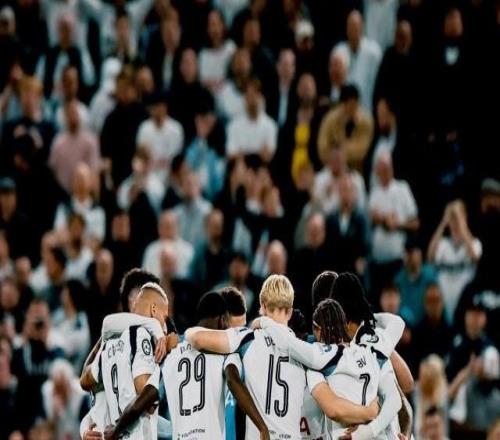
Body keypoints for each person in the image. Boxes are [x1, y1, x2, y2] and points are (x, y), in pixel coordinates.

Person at [185, 275, 380, 440]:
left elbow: (197, 338)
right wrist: (368, 414)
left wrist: (185, 334)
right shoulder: (306, 353)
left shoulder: (246, 339)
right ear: (290, 311)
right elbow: (333, 406)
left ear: (262, 305)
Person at [103, 291, 270, 440]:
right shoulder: (226, 353)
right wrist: (262, 427)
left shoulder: (172, 353)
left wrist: (115, 430)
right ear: (222, 320)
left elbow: (141, 402)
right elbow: (233, 380)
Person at [82, 282, 169, 440]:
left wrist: (85, 429)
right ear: (154, 309)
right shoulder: (141, 335)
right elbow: (147, 401)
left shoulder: (107, 345)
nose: (165, 326)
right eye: (165, 318)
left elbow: (85, 381)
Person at [369, 152, 419, 301]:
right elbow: (373, 218)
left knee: (397, 299)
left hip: (398, 260)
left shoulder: (402, 188)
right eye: (382, 168)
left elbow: (415, 223)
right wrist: (384, 220)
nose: (385, 171)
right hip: (377, 261)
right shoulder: (374, 193)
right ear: (377, 171)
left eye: (387, 168)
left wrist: (398, 224)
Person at [11, 298, 64, 433]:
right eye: (34, 316)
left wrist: (45, 339)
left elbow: (61, 375)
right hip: (23, 418)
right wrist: (27, 335)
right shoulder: (17, 350)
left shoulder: (57, 349)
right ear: (26, 319)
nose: (38, 323)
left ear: (49, 320)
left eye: (41, 318)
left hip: (51, 422)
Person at [428, 200, 482, 321]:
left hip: (465, 299)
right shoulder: (443, 244)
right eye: (452, 218)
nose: (455, 221)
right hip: (444, 299)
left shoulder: (474, 242)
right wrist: (444, 222)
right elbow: (430, 257)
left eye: (458, 217)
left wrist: (462, 223)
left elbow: (474, 257)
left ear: (465, 218)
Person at [317, 84, 374, 173]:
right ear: (342, 104)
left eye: (355, 105)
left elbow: (361, 152)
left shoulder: (366, 121)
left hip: (356, 171)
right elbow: (322, 150)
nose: (352, 109)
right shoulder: (330, 119)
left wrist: (336, 151)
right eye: (350, 105)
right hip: (331, 170)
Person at [332, 10, 382, 110]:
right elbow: (335, 85)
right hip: (342, 109)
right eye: (351, 26)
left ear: (362, 27)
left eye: (356, 26)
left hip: (366, 109)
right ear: (346, 28)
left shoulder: (374, 52)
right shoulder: (338, 51)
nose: (354, 30)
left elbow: (379, 85)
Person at [49, 99, 100, 194]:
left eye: (75, 113)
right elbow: (53, 169)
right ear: (65, 117)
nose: (72, 117)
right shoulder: (58, 142)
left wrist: (94, 194)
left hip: (86, 192)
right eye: (69, 114)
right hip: (63, 192)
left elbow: (94, 169)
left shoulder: (90, 140)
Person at [135, 91, 184, 182]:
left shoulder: (176, 128)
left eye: (160, 106)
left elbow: (176, 158)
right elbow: (141, 154)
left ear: (165, 107)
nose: (157, 110)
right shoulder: (144, 128)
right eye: (154, 107)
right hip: (148, 173)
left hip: (170, 175)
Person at [226, 78, 278, 162]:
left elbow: (268, 156)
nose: (251, 100)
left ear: (261, 97)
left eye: (254, 95)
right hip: (241, 167)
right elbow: (231, 155)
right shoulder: (233, 125)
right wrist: (258, 153)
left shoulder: (270, 125)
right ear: (244, 98)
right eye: (248, 96)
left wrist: (243, 153)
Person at [41, 359, 90, 439]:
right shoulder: (47, 393)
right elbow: (47, 428)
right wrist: (54, 414)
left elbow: (86, 426)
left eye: (62, 387)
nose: (59, 392)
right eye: (57, 387)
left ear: (68, 383)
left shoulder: (81, 395)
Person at [395, 237, 438, 325]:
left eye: (412, 252)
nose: (408, 257)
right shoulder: (399, 280)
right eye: (406, 253)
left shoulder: (431, 275)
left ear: (420, 254)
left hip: (427, 325)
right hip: (405, 326)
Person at [142, 210, 194, 279]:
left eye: (170, 226)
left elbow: (190, 277)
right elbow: (144, 277)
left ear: (178, 227)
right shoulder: (151, 250)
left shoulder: (188, 250)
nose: (167, 229)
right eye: (163, 225)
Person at [117, 146, 165, 214]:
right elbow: (122, 205)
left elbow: (158, 207)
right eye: (136, 161)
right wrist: (131, 195)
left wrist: (144, 191)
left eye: (146, 162)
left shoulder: (157, 185)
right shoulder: (127, 184)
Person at [199, 9, 236, 93]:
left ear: (223, 26)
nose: (215, 29)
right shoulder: (203, 54)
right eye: (211, 24)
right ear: (207, 29)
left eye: (217, 24)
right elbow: (203, 82)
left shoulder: (231, 48)